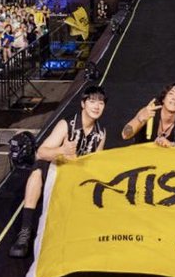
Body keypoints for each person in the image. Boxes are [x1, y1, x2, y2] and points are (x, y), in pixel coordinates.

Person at [8, 85, 107, 258]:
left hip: (77, 175)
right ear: (83, 104)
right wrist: (62, 150)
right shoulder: (66, 125)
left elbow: (95, 164)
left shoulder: (101, 133)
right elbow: (41, 152)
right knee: (37, 170)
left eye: (101, 103)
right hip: (56, 169)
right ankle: (25, 232)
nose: (97, 106)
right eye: (92, 101)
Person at [121, 83, 175, 148]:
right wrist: (139, 119)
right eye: (171, 94)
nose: (174, 98)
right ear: (163, 99)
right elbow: (125, 135)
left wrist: (171, 147)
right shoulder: (149, 112)